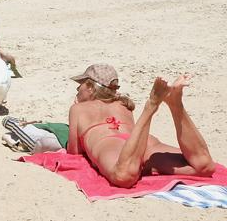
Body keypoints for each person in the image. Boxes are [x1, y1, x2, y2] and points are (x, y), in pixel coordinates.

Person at [67, 64, 215, 188]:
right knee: (204, 166)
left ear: (90, 87)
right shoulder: (123, 105)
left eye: (80, 86)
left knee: (123, 176)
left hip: (111, 144)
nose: (77, 90)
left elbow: (74, 153)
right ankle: (176, 105)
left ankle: (150, 107)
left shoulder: (78, 109)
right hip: (141, 142)